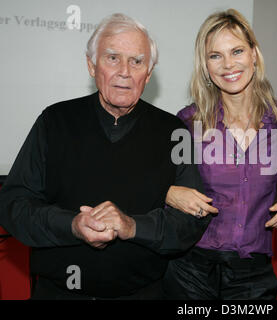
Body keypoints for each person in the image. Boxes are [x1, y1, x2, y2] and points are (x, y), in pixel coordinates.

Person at [0, 13, 210, 299]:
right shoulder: (54, 121)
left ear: (148, 74)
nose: (124, 71)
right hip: (59, 293)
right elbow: (14, 205)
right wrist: (72, 225)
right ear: (91, 64)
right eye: (112, 58)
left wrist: (132, 226)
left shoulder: (174, 132)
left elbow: (190, 222)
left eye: (137, 61)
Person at [162, 9, 277, 300]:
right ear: (205, 65)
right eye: (215, 56)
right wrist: (167, 192)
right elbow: (152, 183)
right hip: (189, 271)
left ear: (254, 54)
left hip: (253, 274)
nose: (228, 64)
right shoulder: (188, 122)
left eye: (237, 51)